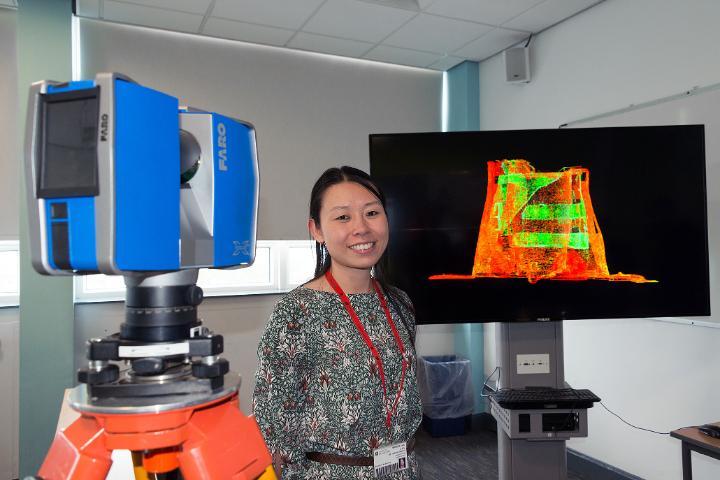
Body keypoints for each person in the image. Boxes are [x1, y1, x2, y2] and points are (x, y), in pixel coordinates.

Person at [253, 166, 422, 479]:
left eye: (371, 213)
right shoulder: (297, 311)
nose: (361, 228)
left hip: (402, 469)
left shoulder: (400, 302)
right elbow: (273, 421)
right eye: (343, 217)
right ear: (316, 229)